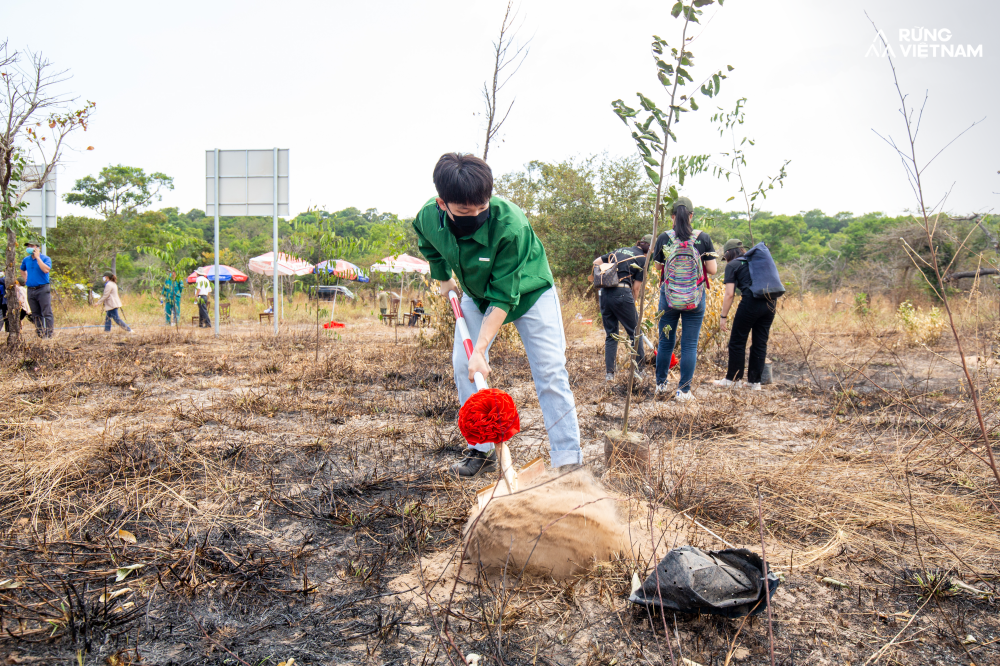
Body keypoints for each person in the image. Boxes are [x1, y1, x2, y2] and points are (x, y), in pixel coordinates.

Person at [413, 152, 582, 477]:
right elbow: (428, 243)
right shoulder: (427, 217)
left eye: (482, 207)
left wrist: (480, 349)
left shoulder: (511, 225)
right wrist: (444, 276)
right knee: (465, 367)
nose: (475, 215)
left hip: (531, 293)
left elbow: (504, 298)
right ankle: (483, 449)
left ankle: (568, 461)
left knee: (550, 372)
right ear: (442, 203)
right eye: (464, 210)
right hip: (477, 294)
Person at [651, 197, 718, 401]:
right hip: (695, 298)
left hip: (669, 298)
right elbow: (712, 270)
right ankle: (684, 391)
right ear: (691, 216)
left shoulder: (664, 238)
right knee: (689, 344)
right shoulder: (702, 238)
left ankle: (661, 386)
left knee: (665, 342)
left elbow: (658, 268)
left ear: (672, 216)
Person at [713, 239, 778, 390]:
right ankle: (755, 383)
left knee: (737, 341)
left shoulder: (733, 265)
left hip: (751, 303)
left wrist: (723, 316)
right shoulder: (757, 261)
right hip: (770, 302)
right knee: (760, 342)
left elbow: (729, 294)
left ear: (728, 253)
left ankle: (733, 380)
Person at [592, 235, 651, 382]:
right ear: (650, 249)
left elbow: (596, 262)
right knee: (635, 332)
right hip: (622, 293)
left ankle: (610, 375)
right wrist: (632, 304)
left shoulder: (619, 250)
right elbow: (636, 288)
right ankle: (641, 371)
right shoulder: (643, 259)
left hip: (604, 293)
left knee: (611, 334)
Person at [20, 242, 54, 338]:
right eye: (28, 246)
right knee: (35, 313)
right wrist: (25, 278)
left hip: (42, 288)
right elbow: (22, 269)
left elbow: (46, 270)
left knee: (46, 312)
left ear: (37, 248)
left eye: (31, 246)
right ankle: (40, 334)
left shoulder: (45, 258)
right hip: (31, 289)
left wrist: (38, 257)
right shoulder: (26, 259)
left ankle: (49, 334)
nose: (29, 248)